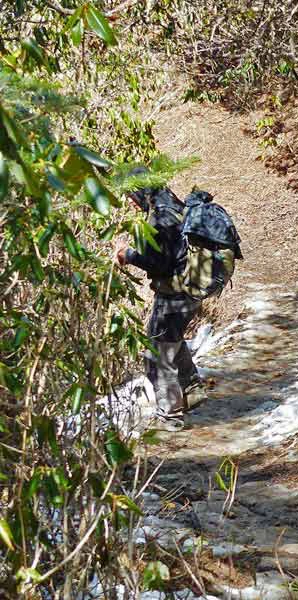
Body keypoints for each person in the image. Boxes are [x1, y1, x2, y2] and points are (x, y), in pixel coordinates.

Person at [115, 171, 204, 432]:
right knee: (170, 340)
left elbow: (158, 262)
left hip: (174, 295)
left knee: (156, 354)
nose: (130, 202)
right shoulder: (172, 204)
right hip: (190, 291)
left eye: (131, 195)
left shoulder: (160, 217)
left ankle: (170, 416)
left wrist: (127, 254)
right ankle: (192, 388)